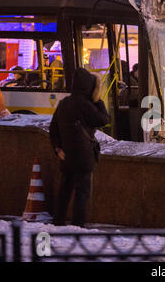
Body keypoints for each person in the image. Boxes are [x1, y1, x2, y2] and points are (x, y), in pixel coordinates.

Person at [49, 68, 109, 227]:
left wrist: (57, 148)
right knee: (82, 193)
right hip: (83, 157)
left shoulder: (64, 103)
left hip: (66, 156)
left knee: (65, 190)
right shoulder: (86, 105)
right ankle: (77, 225)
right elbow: (103, 120)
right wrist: (99, 101)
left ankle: (58, 221)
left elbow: (53, 128)